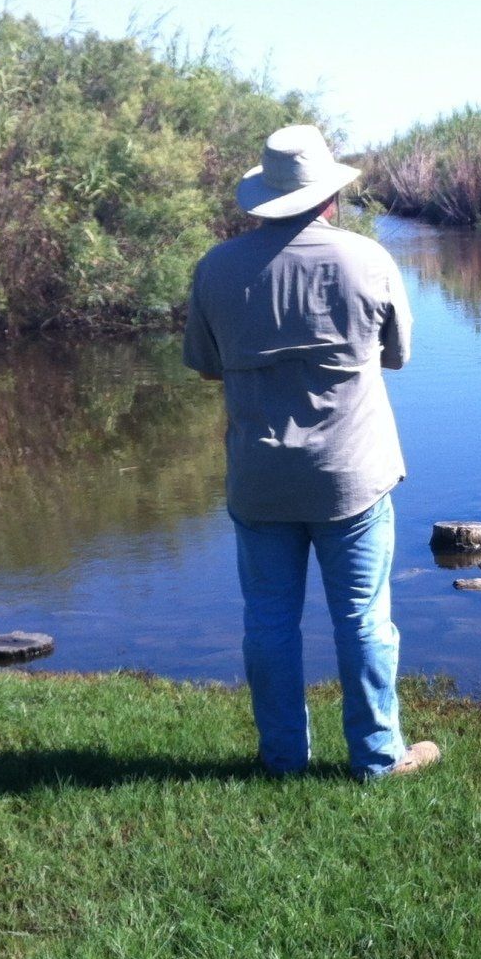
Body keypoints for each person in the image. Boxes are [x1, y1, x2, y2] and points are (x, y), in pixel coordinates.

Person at [183, 125, 438, 780]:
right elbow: (400, 357)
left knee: (268, 621)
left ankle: (282, 759)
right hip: (352, 474)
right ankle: (378, 757)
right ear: (329, 196)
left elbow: (206, 367)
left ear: (264, 195)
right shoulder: (368, 260)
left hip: (260, 474)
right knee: (362, 619)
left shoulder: (215, 268)